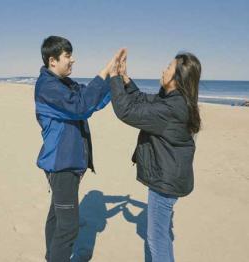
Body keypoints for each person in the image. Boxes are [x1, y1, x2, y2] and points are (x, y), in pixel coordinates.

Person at [34, 35, 123, 262]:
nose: (73, 60)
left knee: (57, 214)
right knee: (69, 227)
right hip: (61, 165)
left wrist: (115, 79)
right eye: (68, 56)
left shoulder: (64, 84)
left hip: (68, 163)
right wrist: (104, 70)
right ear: (52, 60)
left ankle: (51, 256)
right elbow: (81, 106)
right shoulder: (48, 88)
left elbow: (91, 101)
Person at [110, 49, 201, 262]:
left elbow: (126, 111)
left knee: (156, 239)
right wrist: (124, 78)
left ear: (178, 79)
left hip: (165, 181)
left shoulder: (172, 108)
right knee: (161, 236)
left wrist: (113, 77)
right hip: (170, 176)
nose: (163, 69)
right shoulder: (173, 100)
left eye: (169, 67)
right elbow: (141, 100)